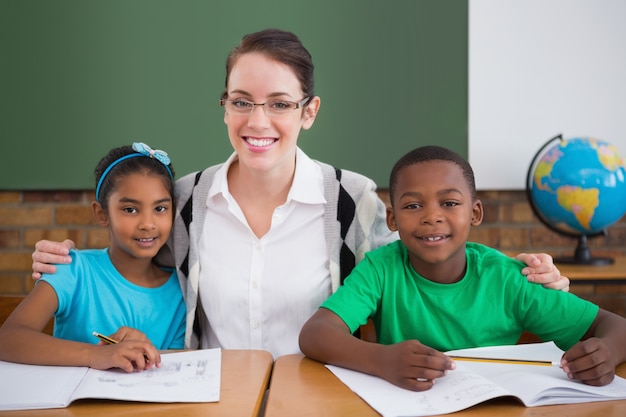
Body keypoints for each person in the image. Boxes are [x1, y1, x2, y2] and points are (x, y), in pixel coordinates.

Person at [30, 29, 569, 359]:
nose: (257, 120)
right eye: (241, 101)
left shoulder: (352, 199)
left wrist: (537, 282)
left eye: (280, 103)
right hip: (214, 400)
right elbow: (129, 257)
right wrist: (64, 261)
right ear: (224, 106)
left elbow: (421, 269)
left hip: (326, 396)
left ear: (309, 111)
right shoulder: (185, 199)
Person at [299, 145, 626, 391]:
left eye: (450, 203)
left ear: (475, 213)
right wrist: (379, 359)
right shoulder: (381, 269)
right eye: (413, 205)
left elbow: (614, 326)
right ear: (393, 219)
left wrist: (607, 352)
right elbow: (316, 333)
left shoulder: (508, 278)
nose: (432, 216)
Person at [0, 142, 186, 372]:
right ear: (102, 213)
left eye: (160, 209)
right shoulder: (72, 269)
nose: (148, 224)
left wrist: (144, 348)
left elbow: (173, 366)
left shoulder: (180, 291)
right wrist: (96, 354)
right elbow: (8, 339)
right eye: (130, 209)